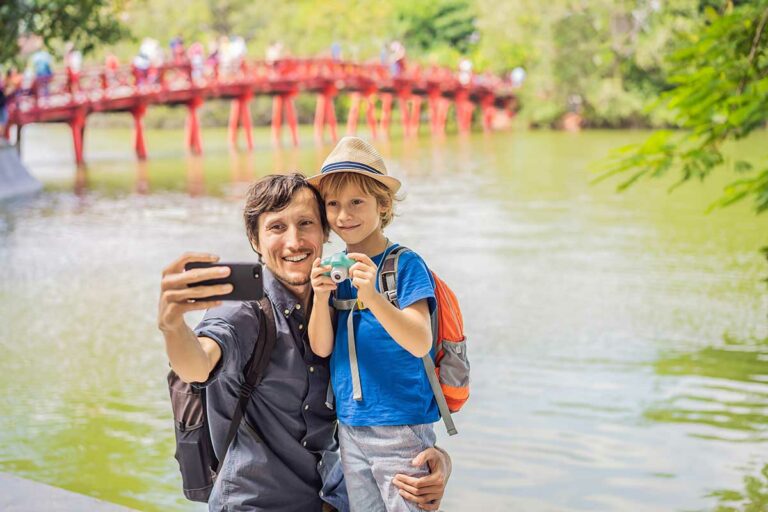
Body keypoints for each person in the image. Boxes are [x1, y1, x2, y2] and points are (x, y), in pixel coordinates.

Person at [158, 173, 450, 511]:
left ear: (325, 231)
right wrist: (172, 326)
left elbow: (388, 381)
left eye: (306, 223)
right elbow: (198, 365)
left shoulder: (343, 296)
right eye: (276, 228)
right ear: (255, 240)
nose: (294, 241)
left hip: (332, 498)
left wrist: (426, 456)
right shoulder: (244, 312)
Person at [307, 137, 439, 512]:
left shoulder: (405, 264)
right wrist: (319, 298)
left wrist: (375, 295)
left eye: (356, 202)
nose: (344, 215)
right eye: (333, 204)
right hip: (349, 424)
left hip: (399, 425)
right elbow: (322, 347)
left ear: (383, 206)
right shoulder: (334, 268)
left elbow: (419, 341)